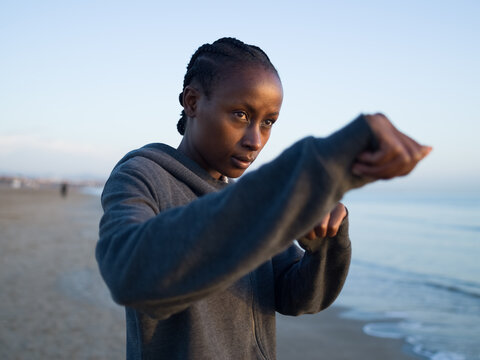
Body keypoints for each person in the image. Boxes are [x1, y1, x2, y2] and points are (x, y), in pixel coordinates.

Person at [96, 37, 431, 359]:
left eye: (268, 122)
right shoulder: (143, 175)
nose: (255, 140)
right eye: (241, 114)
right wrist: (323, 166)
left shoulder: (245, 202)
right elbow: (130, 276)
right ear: (193, 102)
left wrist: (323, 246)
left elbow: (293, 297)